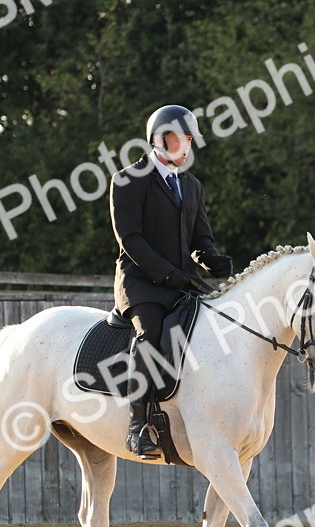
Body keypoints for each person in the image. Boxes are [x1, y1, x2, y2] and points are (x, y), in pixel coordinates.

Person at [109, 104, 234, 459]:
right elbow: (130, 239)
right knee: (150, 334)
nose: (187, 147)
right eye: (181, 140)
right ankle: (137, 427)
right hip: (142, 282)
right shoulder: (128, 180)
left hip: (182, 283)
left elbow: (199, 239)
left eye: (190, 141)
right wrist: (166, 274)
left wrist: (212, 259)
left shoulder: (192, 186)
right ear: (160, 139)